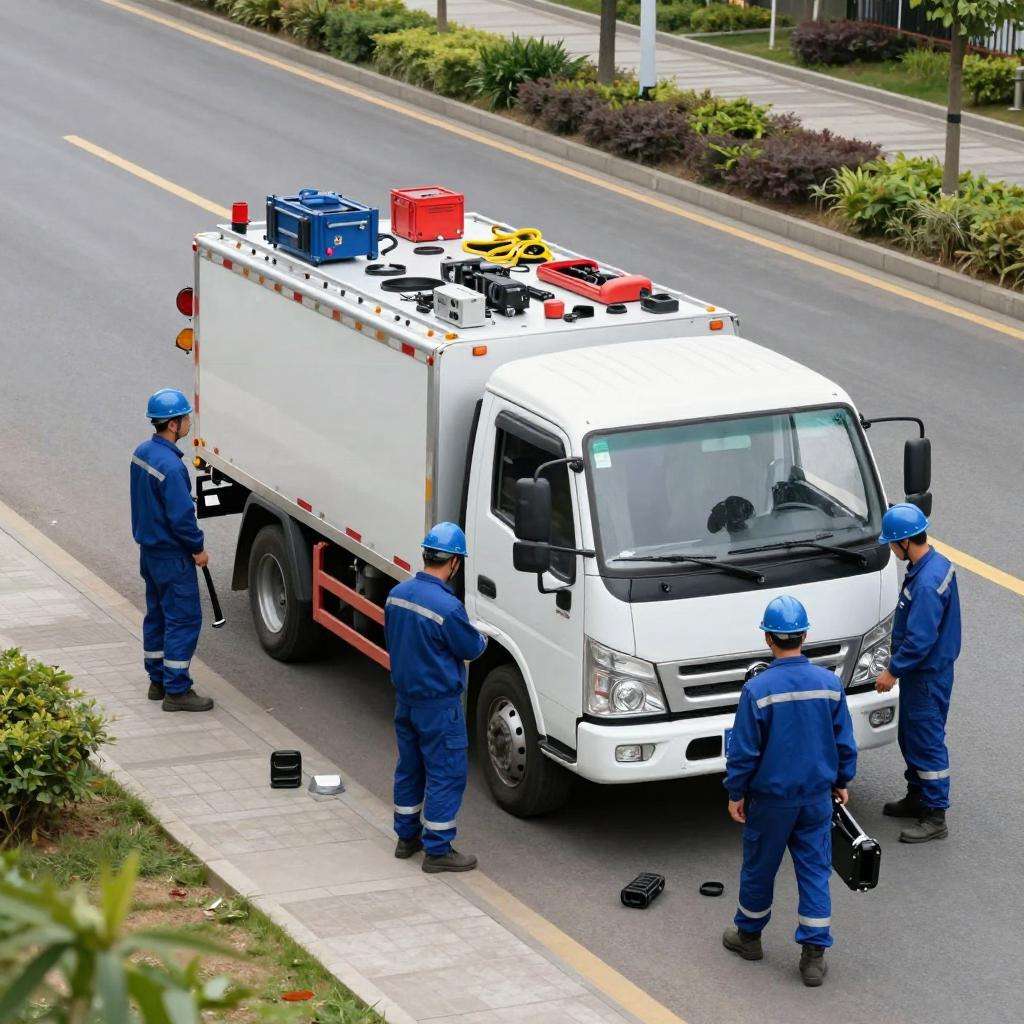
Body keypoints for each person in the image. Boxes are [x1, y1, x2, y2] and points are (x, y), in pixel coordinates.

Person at [723, 595, 857, 988]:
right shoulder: (829, 685)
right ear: (805, 635)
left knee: (760, 867)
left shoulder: (758, 691)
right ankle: (813, 957)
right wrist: (842, 781)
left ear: (768, 639)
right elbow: (844, 742)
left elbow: (744, 751)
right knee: (815, 871)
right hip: (817, 798)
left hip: (771, 802)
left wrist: (736, 793)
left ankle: (748, 937)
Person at [384, 522, 487, 873]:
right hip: (439, 707)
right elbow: (471, 648)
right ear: (454, 562)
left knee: (410, 768)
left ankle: (405, 838)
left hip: (406, 701)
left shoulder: (397, 594)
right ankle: (438, 850)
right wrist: (483, 636)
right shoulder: (448, 606)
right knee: (445, 773)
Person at [874, 503, 960, 843]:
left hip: (925, 675)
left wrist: (892, 671)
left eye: (892, 544)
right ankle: (917, 795)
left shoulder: (926, 583)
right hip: (925, 672)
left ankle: (935, 814)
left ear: (905, 542)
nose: (891, 550)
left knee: (925, 740)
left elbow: (921, 638)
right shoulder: (932, 565)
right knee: (910, 735)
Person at [130, 388, 213, 712]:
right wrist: (198, 548)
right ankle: (177, 691)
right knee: (183, 619)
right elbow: (181, 518)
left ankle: (157, 681)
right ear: (174, 424)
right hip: (172, 556)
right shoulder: (174, 468)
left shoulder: (142, 452)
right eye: (185, 417)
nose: (189, 422)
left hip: (149, 553)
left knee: (158, 616)